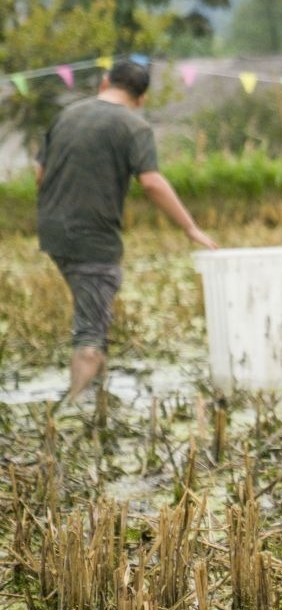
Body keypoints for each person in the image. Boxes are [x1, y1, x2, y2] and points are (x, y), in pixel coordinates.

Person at [35, 61, 216, 404]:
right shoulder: (134, 126)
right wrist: (190, 227)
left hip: (53, 231)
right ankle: (75, 408)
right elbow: (151, 181)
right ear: (142, 98)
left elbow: (39, 177)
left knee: (94, 313)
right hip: (93, 237)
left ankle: (94, 401)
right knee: (90, 332)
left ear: (105, 82)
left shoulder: (67, 115)